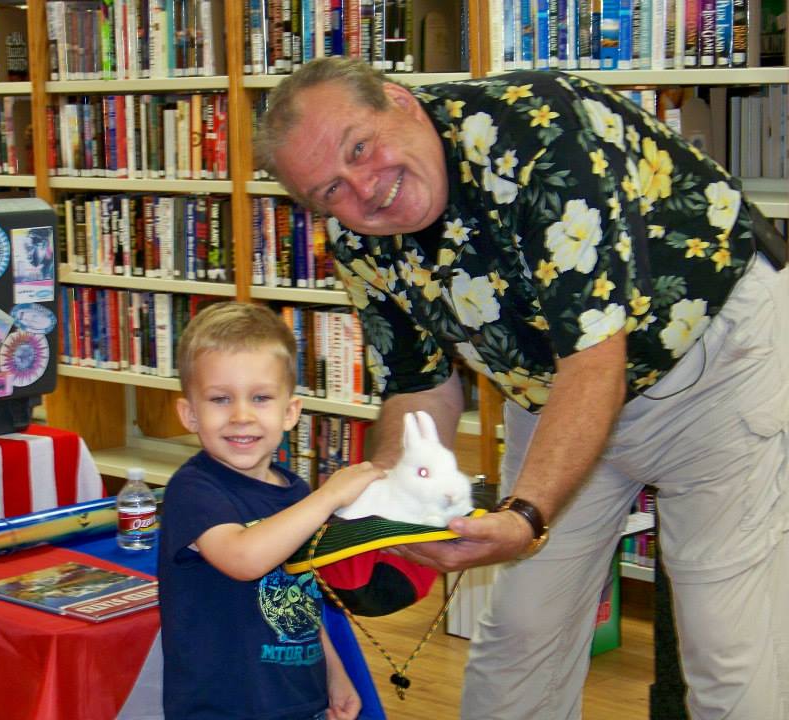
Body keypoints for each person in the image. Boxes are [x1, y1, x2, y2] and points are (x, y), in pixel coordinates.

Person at [254, 57, 789, 720]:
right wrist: (396, 504)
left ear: (400, 99)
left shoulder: (535, 130)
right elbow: (419, 383)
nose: (364, 190)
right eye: (329, 190)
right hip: (557, 390)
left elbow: (597, 360)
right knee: (523, 632)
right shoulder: (360, 240)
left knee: (726, 643)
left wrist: (526, 516)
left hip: (715, 360)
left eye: (360, 147)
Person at [158, 301, 385, 720]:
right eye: (220, 399)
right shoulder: (193, 490)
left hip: (302, 700)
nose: (241, 416)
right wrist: (327, 497)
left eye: (261, 398)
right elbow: (243, 558)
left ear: (290, 412)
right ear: (190, 414)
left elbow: (304, 596)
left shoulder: (295, 492)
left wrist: (334, 673)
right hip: (223, 708)